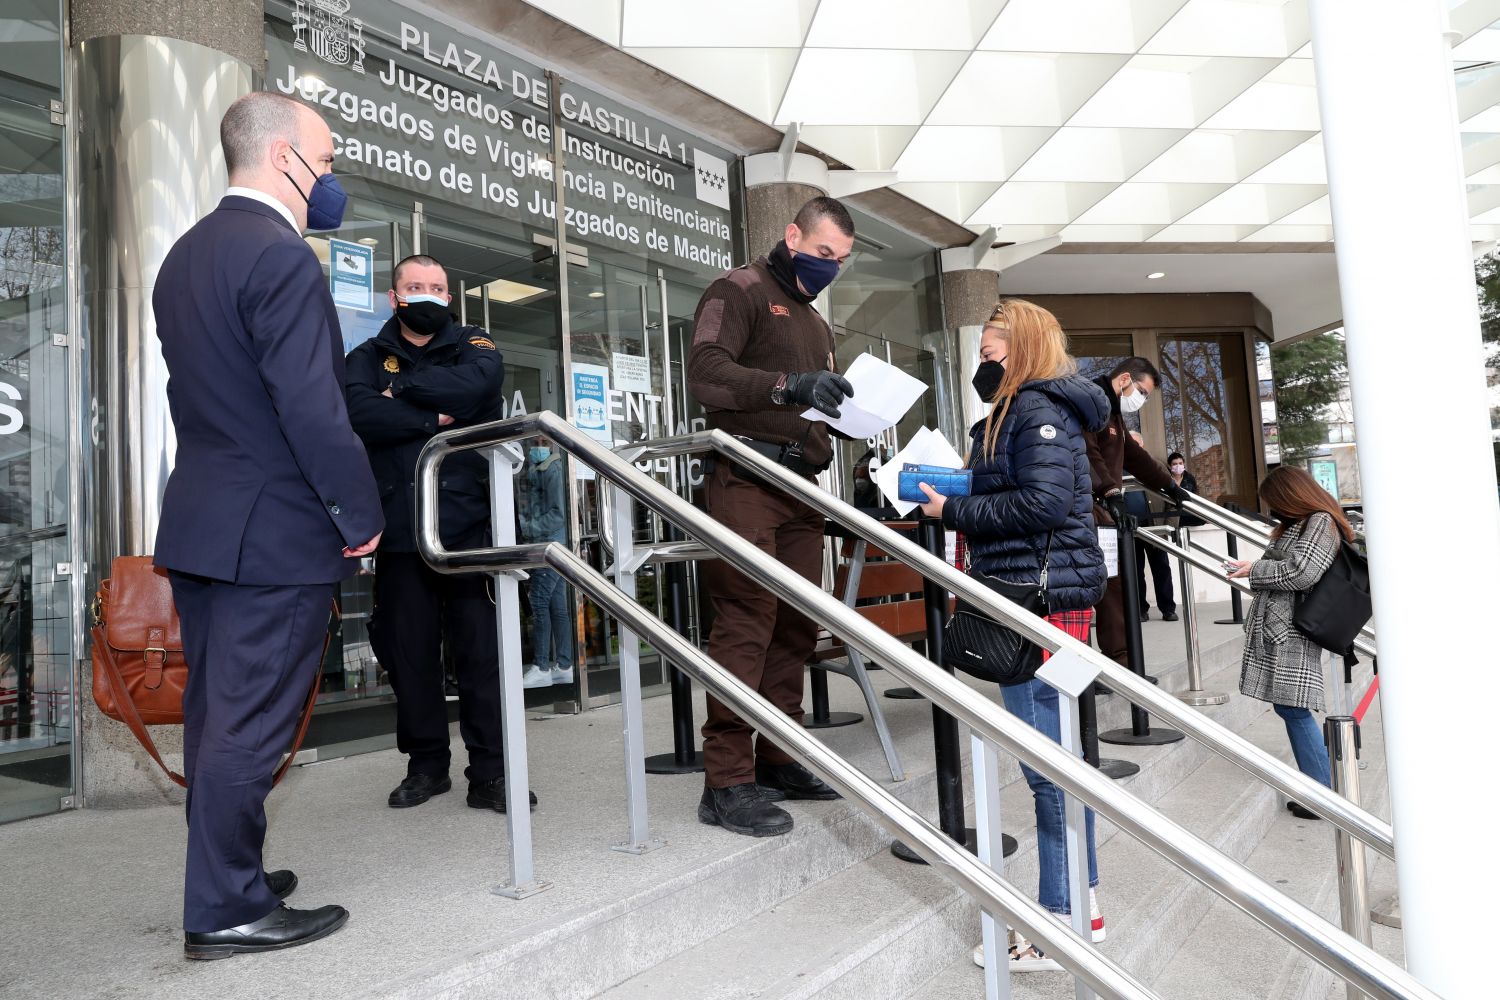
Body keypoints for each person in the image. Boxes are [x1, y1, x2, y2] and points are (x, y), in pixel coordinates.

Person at [153, 92, 383, 959]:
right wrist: (360, 517)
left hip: (208, 526)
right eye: (325, 164)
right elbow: (313, 413)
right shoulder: (281, 258)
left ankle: (230, 871)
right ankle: (224, 911)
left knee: (219, 716)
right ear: (283, 157)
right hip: (275, 534)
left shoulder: (186, 255)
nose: (330, 181)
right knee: (248, 727)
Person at [915, 299, 1111, 973]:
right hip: (1046, 604)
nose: (982, 360)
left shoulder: (1034, 411)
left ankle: (1054, 926)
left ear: (1020, 348)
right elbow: (1031, 493)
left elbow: (1044, 503)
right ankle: (1080, 908)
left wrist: (954, 508)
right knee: (1061, 768)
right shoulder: (1024, 411)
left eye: (990, 349)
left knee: (1049, 774)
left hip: (1039, 609)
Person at [685, 196, 856, 837]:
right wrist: (791, 386)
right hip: (746, 478)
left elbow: (812, 399)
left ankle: (781, 755)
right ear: (791, 235)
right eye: (821, 254)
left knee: (794, 625)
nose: (829, 267)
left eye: (839, 260)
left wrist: (842, 405)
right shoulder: (740, 289)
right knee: (747, 620)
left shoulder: (815, 321)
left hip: (802, 483)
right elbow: (706, 376)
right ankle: (726, 780)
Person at [344, 254, 532, 815]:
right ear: (393, 296)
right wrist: (433, 415)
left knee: (482, 656)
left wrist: (398, 397)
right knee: (411, 656)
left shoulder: (475, 343)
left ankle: (491, 773)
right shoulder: (366, 357)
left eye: (437, 287)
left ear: (450, 296)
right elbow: (356, 413)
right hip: (401, 533)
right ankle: (426, 766)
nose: (427, 294)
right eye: (414, 286)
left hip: (472, 530)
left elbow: (480, 385)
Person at [1227, 466, 1352, 819]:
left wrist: (1255, 571)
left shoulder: (1320, 521)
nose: (1272, 509)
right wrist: (1253, 566)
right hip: (1284, 624)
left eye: (1275, 501)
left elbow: (1302, 572)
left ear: (1291, 495)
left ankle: (1323, 795)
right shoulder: (1305, 522)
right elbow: (1292, 565)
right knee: (1289, 707)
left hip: (1293, 627)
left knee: (1294, 708)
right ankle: (1321, 787)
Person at [1084, 358, 1190, 668]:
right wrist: (1110, 492)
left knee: (1114, 587)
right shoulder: (1091, 401)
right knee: (1091, 590)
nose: (1140, 400)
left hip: (1103, 512)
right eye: (1141, 391)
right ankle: (1094, 671)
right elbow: (1086, 451)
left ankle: (1122, 663)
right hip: (1087, 509)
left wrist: (1170, 486)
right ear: (1125, 379)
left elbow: (1135, 457)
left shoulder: (1113, 412)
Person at [518, 436, 574, 688]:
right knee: (556, 606)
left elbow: (557, 514)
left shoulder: (551, 469)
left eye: (542, 442)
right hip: (553, 542)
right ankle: (564, 665)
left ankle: (541, 666)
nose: (536, 447)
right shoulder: (542, 468)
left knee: (538, 601)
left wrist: (527, 527)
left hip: (550, 543)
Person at [1123, 437, 1179, 623]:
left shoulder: (1156, 467)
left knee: (1161, 569)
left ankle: (1168, 609)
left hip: (1156, 528)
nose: (1134, 449)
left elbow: (1173, 500)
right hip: (1130, 531)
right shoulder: (1119, 467)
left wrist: (1169, 526)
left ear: (1143, 445)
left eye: (1137, 445)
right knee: (1135, 572)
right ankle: (1140, 610)